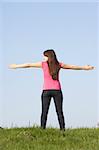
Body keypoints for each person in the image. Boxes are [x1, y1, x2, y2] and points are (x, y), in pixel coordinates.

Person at [9, 49, 94, 130]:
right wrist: (85, 68)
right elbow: (72, 67)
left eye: (44, 56)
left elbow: (29, 65)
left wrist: (16, 66)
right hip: (57, 91)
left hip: (46, 91)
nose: (43, 58)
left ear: (49, 56)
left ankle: (42, 129)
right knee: (59, 111)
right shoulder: (58, 64)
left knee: (44, 111)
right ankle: (62, 129)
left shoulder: (43, 64)